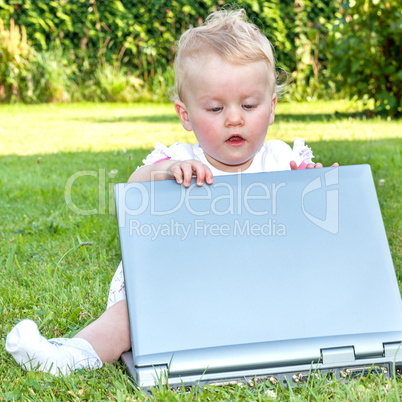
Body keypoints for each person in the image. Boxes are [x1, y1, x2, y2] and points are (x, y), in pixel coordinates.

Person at [5, 9, 338, 376]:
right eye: (215, 107)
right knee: (131, 318)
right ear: (186, 114)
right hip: (180, 289)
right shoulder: (183, 159)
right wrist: (162, 171)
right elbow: (133, 191)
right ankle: (71, 355)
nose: (234, 118)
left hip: (258, 288)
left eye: (249, 105)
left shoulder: (281, 159)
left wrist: (317, 188)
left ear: (271, 107)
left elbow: (313, 234)